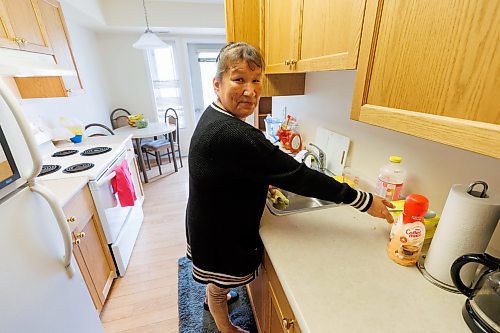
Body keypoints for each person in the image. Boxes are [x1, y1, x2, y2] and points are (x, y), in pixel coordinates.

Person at [186, 42, 394, 333]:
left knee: (217, 281)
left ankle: (216, 295)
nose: (250, 90)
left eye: (256, 80)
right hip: (219, 232)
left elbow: (229, 169)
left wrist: (259, 177)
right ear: (217, 83)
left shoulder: (215, 116)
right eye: (239, 79)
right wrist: (363, 199)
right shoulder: (234, 133)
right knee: (221, 282)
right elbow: (299, 176)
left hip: (208, 220)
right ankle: (225, 327)